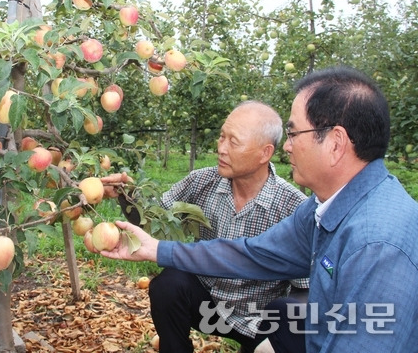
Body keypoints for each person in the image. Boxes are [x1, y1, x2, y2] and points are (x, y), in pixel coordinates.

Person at [102, 67, 418, 353]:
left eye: (294, 133)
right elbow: (250, 254)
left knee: (285, 314)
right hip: (226, 312)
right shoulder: (324, 209)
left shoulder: (377, 244)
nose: (288, 145)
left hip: (263, 319)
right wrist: (156, 249)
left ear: (335, 144)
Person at [104, 101, 308, 352]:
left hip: (258, 317)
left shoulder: (293, 207)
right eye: (221, 137)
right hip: (208, 303)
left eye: (233, 142)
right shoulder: (202, 181)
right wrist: (127, 194)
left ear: (264, 153)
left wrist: (279, 341)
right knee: (168, 285)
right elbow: (151, 220)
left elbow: (304, 289)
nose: (221, 148)